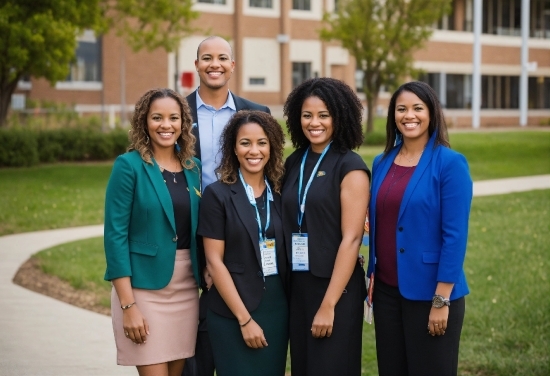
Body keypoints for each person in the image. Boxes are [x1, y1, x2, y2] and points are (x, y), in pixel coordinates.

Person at [367, 81, 472, 376]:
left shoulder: (450, 163)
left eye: (417, 108)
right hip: (387, 293)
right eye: (401, 109)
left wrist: (441, 299)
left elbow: (455, 236)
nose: (408, 115)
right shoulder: (382, 162)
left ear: (431, 113)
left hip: (431, 293)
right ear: (393, 116)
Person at [183, 35, 271, 376]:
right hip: (195, 231)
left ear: (233, 66)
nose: (214, 64)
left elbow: (270, 170)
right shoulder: (179, 113)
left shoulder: (256, 113)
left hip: (245, 235)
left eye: (222, 58)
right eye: (207, 58)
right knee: (198, 338)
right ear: (197, 65)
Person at [104, 88, 202, 376]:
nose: (165, 125)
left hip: (185, 287)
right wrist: (128, 305)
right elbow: (115, 236)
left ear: (184, 123)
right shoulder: (129, 166)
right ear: (144, 122)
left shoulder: (192, 167)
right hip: (142, 289)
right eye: (157, 117)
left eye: (173, 118)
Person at [281, 77, 371, 375]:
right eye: (307, 115)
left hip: (336, 288)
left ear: (339, 117)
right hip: (299, 284)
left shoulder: (351, 166)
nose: (313, 122)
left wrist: (328, 304)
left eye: (323, 115)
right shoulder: (294, 162)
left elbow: (352, 238)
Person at [198, 110, 288, 376]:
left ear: (271, 147)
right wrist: (245, 319)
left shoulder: (281, 192)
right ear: (233, 149)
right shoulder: (218, 194)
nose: (254, 151)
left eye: (262, 143)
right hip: (232, 312)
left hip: (277, 308)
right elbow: (214, 262)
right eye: (245, 143)